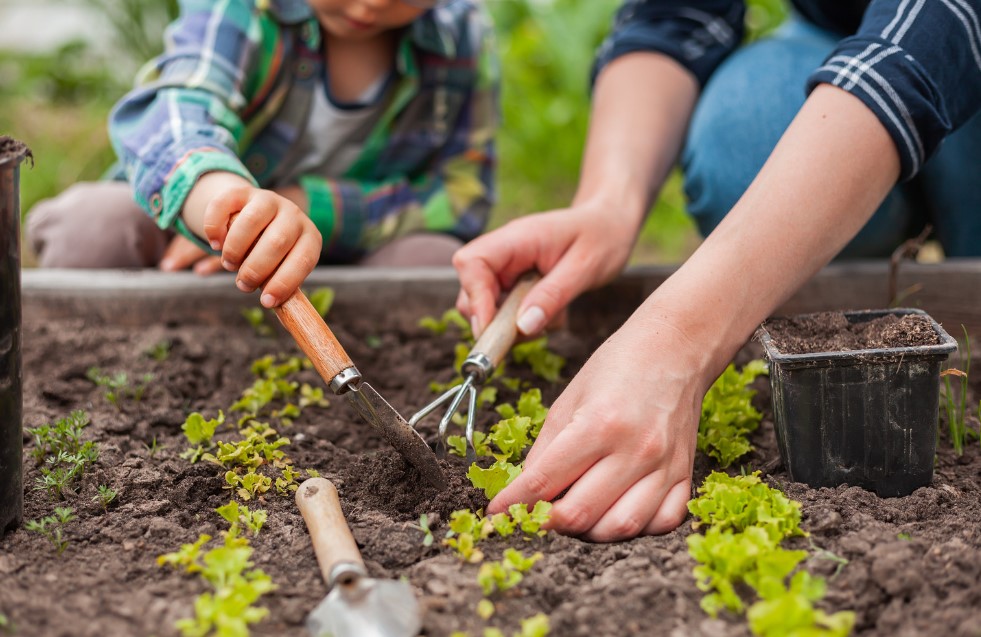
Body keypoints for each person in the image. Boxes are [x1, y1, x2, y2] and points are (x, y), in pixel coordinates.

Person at [453, 0, 981, 542]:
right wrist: (609, 204)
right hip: (840, 27)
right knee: (742, 140)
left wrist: (680, 337)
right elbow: (674, 17)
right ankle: (859, 209)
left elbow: (935, 30)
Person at [27, 0, 498, 306]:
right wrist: (223, 203)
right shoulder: (243, 10)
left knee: (436, 259)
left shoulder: (461, 37)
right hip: (189, 224)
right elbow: (179, 105)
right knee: (89, 226)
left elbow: (462, 194)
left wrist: (310, 208)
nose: (373, 3)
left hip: (345, 258)